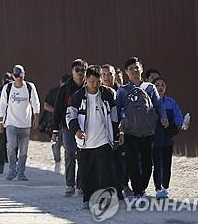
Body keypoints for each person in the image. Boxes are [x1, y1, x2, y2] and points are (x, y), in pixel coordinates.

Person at [116, 57, 167, 207]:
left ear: (142, 69)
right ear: (126, 72)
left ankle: (142, 188)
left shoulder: (150, 88)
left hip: (148, 132)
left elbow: (158, 105)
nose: (134, 70)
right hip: (131, 133)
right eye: (131, 68)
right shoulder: (122, 90)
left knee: (147, 163)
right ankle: (138, 191)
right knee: (133, 163)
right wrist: (119, 131)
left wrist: (163, 117)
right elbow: (118, 112)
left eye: (137, 68)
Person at [66, 65, 117, 209]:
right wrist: (76, 130)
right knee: (86, 172)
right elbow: (70, 115)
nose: (95, 84)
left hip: (103, 139)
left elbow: (114, 115)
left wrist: (116, 134)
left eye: (97, 81)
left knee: (104, 171)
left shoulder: (107, 94)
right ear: (87, 79)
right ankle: (87, 199)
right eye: (92, 81)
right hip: (85, 141)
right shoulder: (78, 96)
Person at [0, 65, 40, 181]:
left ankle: (21, 172)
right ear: (13, 76)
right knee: (11, 146)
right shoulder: (8, 88)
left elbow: (35, 103)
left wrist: (36, 117)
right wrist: (0, 121)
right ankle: (12, 170)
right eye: (16, 76)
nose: (19, 78)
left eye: (20, 76)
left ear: (24, 75)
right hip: (11, 123)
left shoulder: (29, 87)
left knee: (24, 150)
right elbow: (2, 105)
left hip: (25, 124)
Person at [52, 59, 87, 196]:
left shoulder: (89, 87)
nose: (80, 73)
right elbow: (58, 110)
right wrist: (55, 129)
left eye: (82, 70)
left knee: (83, 155)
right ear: (72, 72)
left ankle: (81, 185)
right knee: (70, 153)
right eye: (77, 70)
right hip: (67, 127)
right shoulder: (65, 89)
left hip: (85, 126)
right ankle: (70, 184)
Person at [102, 63, 132, 196]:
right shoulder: (96, 91)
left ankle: (120, 188)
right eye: (104, 74)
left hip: (118, 131)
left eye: (110, 74)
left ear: (115, 75)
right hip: (101, 132)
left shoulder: (122, 91)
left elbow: (124, 113)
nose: (107, 77)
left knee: (119, 161)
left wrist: (121, 132)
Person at [152, 77, 183, 199]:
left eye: (162, 85)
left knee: (167, 165)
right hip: (154, 139)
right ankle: (158, 189)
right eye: (157, 85)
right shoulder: (150, 101)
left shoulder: (171, 102)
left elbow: (178, 117)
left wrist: (178, 125)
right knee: (157, 165)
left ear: (165, 88)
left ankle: (165, 188)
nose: (160, 87)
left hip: (167, 139)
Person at [42, 74, 71, 173]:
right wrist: (56, 111)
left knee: (69, 148)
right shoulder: (54, 92)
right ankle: (57, 162)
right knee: (56, 146)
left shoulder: (72, 92)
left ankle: (68, 168)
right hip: (55, 124)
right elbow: (45, 105)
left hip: (67, 125)